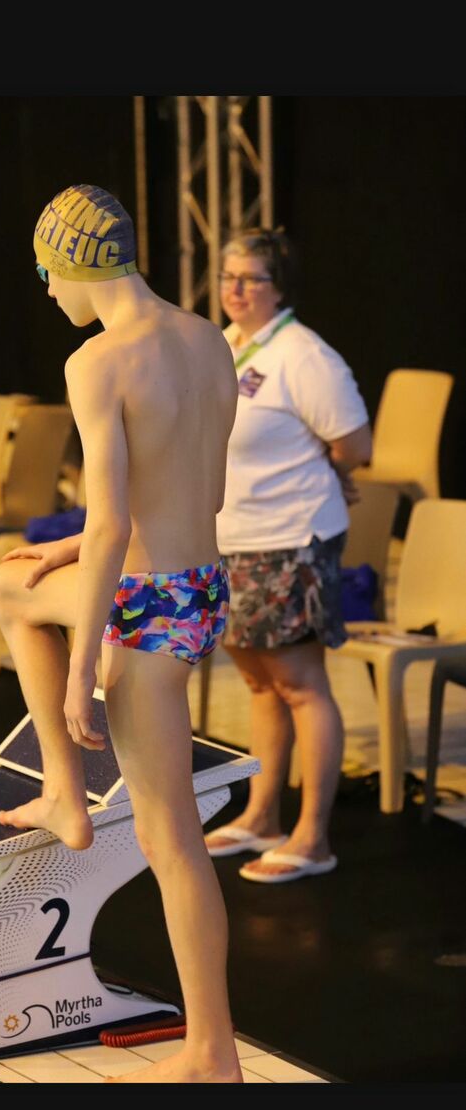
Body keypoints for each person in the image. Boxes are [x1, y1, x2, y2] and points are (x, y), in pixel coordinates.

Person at [0, 184, 240, 1084]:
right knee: (15, 581)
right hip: (200, 586)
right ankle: (63, 793)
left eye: (45, 275)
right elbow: (198, 492)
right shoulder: (206, 338)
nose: (48, 294)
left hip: (144, 605)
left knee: (173, 842)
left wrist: (77, 676)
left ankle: (211, 1053)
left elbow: (109, 527)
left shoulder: (96, 362)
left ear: (71, 266)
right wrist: (69, 552)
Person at [204, 229, 371, 883]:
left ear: (280, 288)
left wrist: (329, 472)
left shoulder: (304, 356)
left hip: (292, 539)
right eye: (228, 276)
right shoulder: (222, 345)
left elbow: (354, 445)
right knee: (258, 683)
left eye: (251, 278)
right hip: (233, 537)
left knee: (300, 685)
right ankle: (262, 816)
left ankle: (312, 837)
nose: (236, 289)